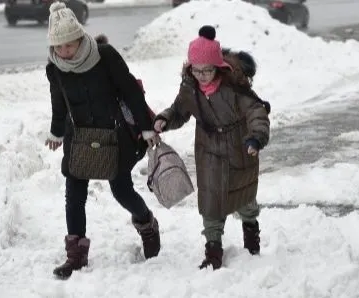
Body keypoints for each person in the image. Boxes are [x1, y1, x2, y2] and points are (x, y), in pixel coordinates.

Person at [44, 2, 161, 279]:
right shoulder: (56, 67)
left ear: (79, 37)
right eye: (58, 47)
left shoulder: (104, 56)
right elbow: (58, 102)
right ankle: (76, 255)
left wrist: (146, 128)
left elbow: (131, 91)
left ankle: (146, 223)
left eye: (69, 46)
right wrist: (57, 131)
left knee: (121, 191)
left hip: (114, 135)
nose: (64, 52)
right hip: (79, 138)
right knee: (74, 195)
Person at [153, 26, 270, 270]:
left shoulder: (234, 87)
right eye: (196, 70)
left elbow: (256, 111)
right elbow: (179, 111)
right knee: (210, 200)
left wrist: (256, 138)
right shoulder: (190, 88)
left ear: (218, 67)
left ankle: (251, 235)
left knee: (244, 197)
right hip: (208, 150)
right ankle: (213, 250)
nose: (202, 75)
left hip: (239, 146)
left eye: (207, 70)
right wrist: (164, 118)